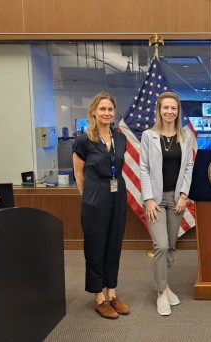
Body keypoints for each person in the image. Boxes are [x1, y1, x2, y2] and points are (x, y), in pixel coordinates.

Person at [72, 92, 130, 319]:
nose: (107, 113)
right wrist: (87, 198)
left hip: (117, 193)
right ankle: (99, 297)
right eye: (102, 109)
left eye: (110, 109)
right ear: (94, 111)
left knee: (114, 245)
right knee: (95, 247)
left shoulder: (120, 138)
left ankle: (112, 293)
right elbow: (78, 173)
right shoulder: (84, 140)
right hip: (95, 195)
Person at [140, 91, 195, 316]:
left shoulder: (186, 136)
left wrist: (184, 195)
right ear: (159, 110)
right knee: (160, 245)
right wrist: (148, 199)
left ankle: (164, 284)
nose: (170, 111)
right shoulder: (148, 135)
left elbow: (189, 166)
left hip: (177, 199)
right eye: (166, 108)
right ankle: (162, 292)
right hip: (155, 198)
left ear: (178, 111)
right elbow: (143, 167)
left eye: (173, 108)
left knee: (171, 246)